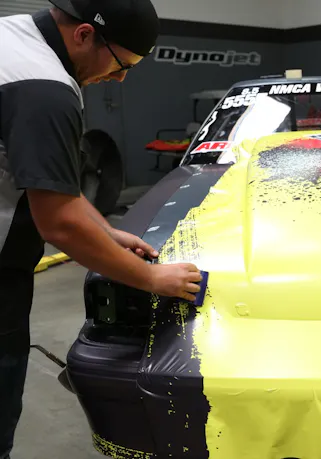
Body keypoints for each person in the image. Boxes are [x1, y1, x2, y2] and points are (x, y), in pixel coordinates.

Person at [0, 1, 203, 457]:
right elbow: (60, 223)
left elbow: (54, 188)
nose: (119, 79)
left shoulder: (11, 39)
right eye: (121, 65)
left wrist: (106, 232)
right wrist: (152, 278)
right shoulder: (44, 88)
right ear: (84, 35)